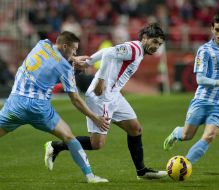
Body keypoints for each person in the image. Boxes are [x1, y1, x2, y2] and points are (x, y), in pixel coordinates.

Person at [44, 23, 168, 180]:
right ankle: (56, 146)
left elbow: (108, 51)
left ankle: (142, 171)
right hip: (101, 97)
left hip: (114, 95)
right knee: (97, 144)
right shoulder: (135, 49)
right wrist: (101, 79)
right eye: (155, 42)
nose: (156, 46)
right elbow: (109, 53)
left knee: (135, 129)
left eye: (159, 44)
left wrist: (88, 63)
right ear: (144, 38)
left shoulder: (137, 50)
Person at [0, 31, 110, 183]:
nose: (75, 52)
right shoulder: (65, 68)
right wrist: (95, 118)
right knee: (70, 138)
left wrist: (73, 58)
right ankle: (90, 176)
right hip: (38, 109)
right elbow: (76, 100)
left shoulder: (42, 44)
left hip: (14, 104)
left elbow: (55, 55)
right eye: (74, 49)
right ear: (65, 46)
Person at [163, 14, 219, 164]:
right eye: (217, 29)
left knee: (209, 136)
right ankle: (176, 132)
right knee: (187, 135)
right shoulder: (204, 51)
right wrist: (217, 82)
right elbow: (200, 79)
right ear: (212, 29)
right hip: (202, 100)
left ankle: (185, 165)